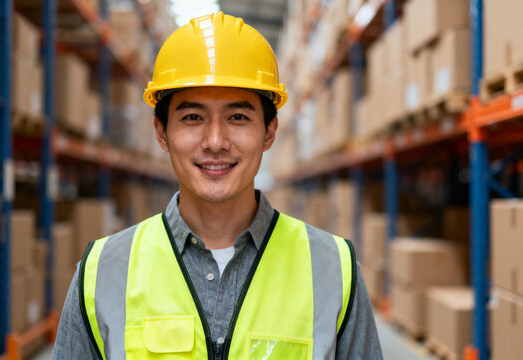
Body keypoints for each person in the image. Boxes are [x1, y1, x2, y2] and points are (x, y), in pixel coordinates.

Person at [53, 11, 382, 359]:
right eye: (192, 117)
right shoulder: (101, 272)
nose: (215, 141)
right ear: (162, 132)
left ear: (269, 132)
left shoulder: (335, 270)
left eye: (237, 117)